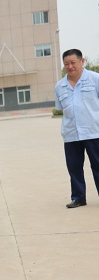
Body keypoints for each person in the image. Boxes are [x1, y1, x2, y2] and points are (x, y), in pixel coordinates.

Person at [55, 48, 99, 209]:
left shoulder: (95, 79)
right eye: (66, 64)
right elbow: (61, 109)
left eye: (73, 62)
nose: (70, 66)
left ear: (82, 61)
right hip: (71, 134)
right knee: (74, 168)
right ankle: (78, 197)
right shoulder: (60, 86)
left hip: (94, 132)